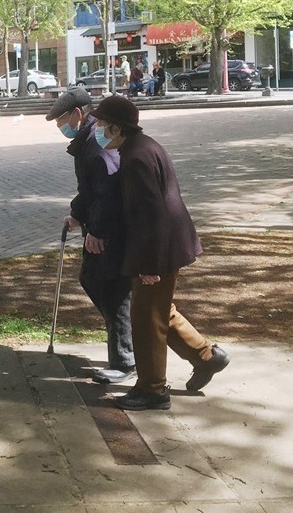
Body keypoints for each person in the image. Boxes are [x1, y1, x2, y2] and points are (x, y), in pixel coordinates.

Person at [90, 96, 230, 411]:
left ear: (116, 128)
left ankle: (152, 389)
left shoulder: (136, 157)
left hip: (159, 248)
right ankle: (206, 356)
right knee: (158, 310)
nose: (96, 128)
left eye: (100, 123)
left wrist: (149, 264)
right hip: (166, 243)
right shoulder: (140, 147)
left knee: (146, 319)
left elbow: (150, 215)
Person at [46, 87, 134, 384]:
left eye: (61, 121)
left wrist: (97, 230)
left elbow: (107, 192)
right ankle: (127, 346)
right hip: (103, 226)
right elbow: (89, 189)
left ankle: (125, 360)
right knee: (97, 282)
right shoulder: (87, 141)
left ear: (76, 115)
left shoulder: (97, 143)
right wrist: (77, 213)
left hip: (110, 230)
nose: (60, 127)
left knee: (112, 290)